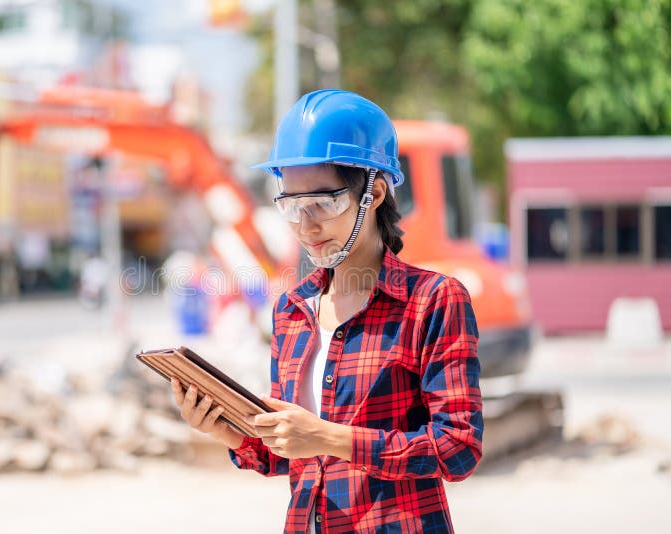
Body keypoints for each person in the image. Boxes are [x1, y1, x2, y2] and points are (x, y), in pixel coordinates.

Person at [171, 89, 483, 533]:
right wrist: (229, 430)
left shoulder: (433, 300)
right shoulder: (291, 310)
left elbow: (458, 448)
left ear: (374, 193)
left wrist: (328, 437)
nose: (306, 225)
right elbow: (290, 454)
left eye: (324, 203)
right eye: (293, 206)